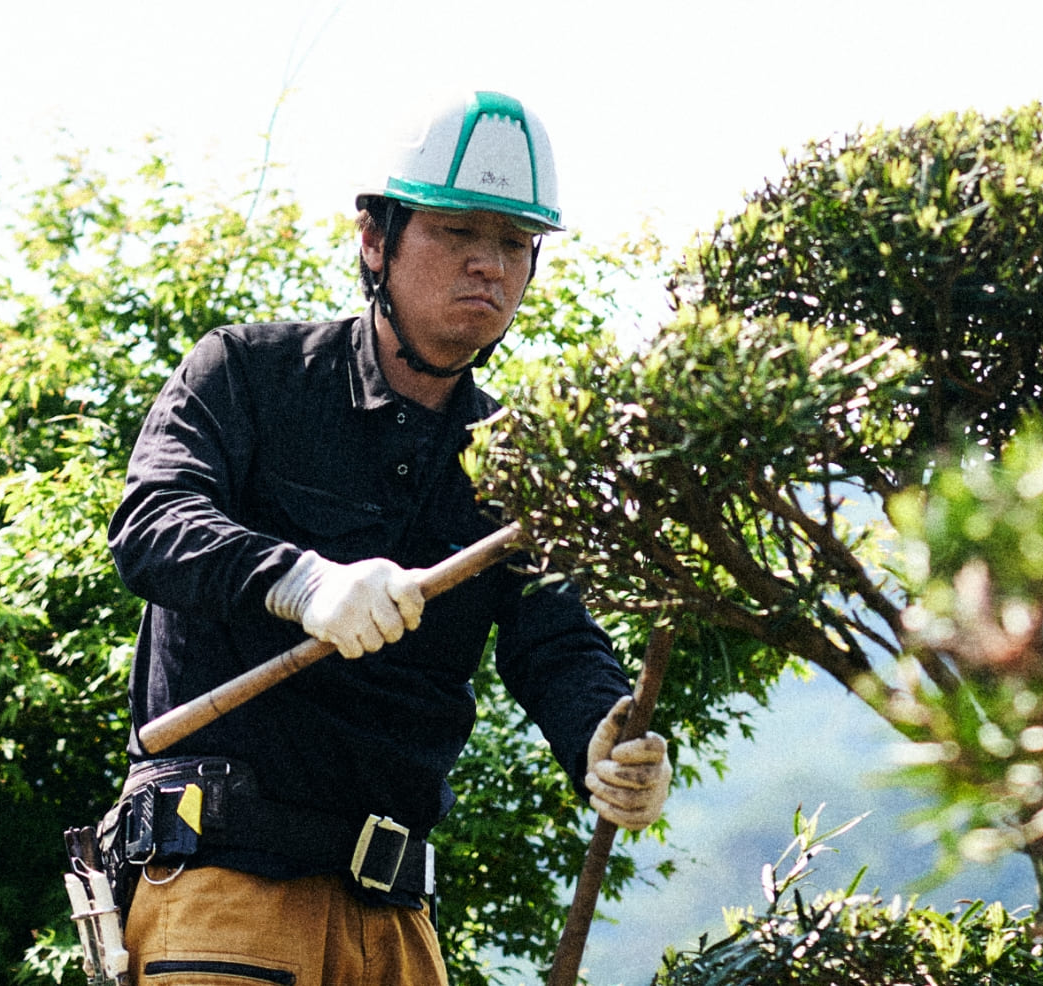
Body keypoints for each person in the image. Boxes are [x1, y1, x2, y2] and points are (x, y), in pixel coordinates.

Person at [103, 91, 669, 985]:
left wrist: (605, 735)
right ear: (376, 238)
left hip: (397, 925)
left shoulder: (516, 462)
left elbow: (555, 642)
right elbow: (152, 523)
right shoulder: (247, 376)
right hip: (225, 894)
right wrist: (299, 581)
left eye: (515, 245)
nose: (489, 265)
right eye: (457, 232)